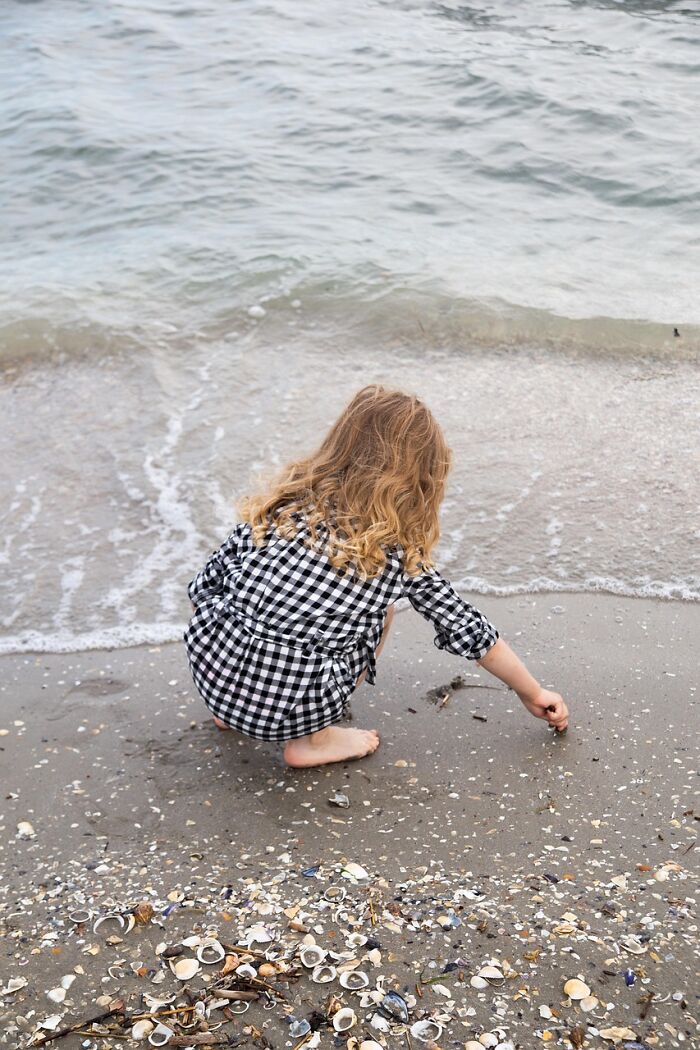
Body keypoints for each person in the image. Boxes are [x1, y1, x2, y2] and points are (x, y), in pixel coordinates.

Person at [184, 385, 568, 767]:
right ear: (418, 477)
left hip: (212, 673)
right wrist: (532, 692)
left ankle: (233, 710)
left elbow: (205, 584)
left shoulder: (282, 506)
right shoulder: (394, 555)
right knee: (380, 612)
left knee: (245, 602)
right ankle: (313, 741)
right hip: (290, 704)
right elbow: (465, 627)